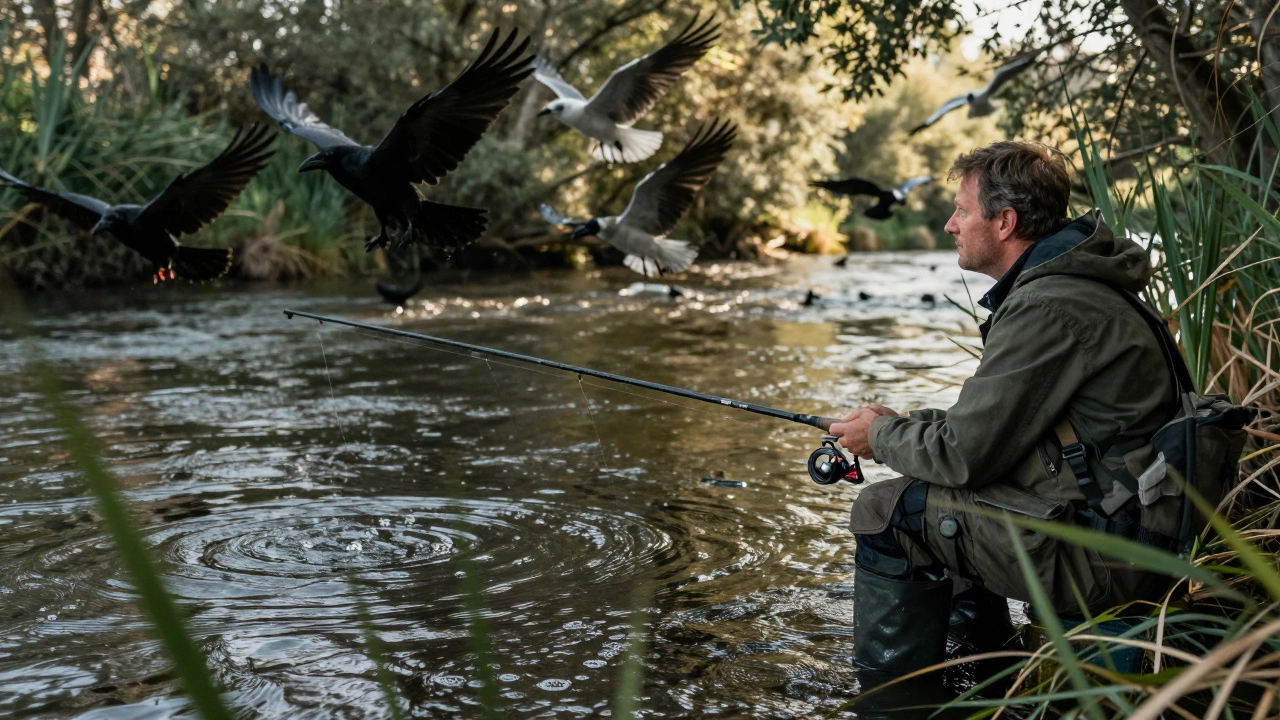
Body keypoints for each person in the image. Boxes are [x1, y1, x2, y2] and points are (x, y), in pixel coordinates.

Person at [827, 141, 1175, 680]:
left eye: (962, 211)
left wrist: (883, 436)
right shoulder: (1077, 285)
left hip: (1109, 556)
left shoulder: (1048, 306)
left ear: (1005, 222)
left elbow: (964, 455)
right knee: (942, 493)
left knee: (883, 510)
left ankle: (893, 699)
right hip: (1128, 528)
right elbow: (995, 428)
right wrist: (897, 427)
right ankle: (984, 673)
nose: (950, 224)